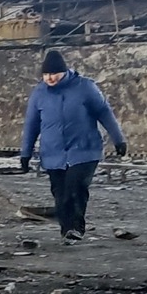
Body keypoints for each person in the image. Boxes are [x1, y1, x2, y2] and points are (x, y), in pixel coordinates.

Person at [19, 48, 126, 242]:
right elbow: (31, 124)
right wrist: (25, 153)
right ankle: (66, 230)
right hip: (53, 153)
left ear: (64, 71)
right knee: (60, 194)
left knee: (75, 189)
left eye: (54, 74)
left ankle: (76, 229)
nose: (50, 78)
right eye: (46, 74)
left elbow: (104, 112)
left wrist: (119, 139)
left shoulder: (85, 87)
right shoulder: (39, 94)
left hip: (84, 150)